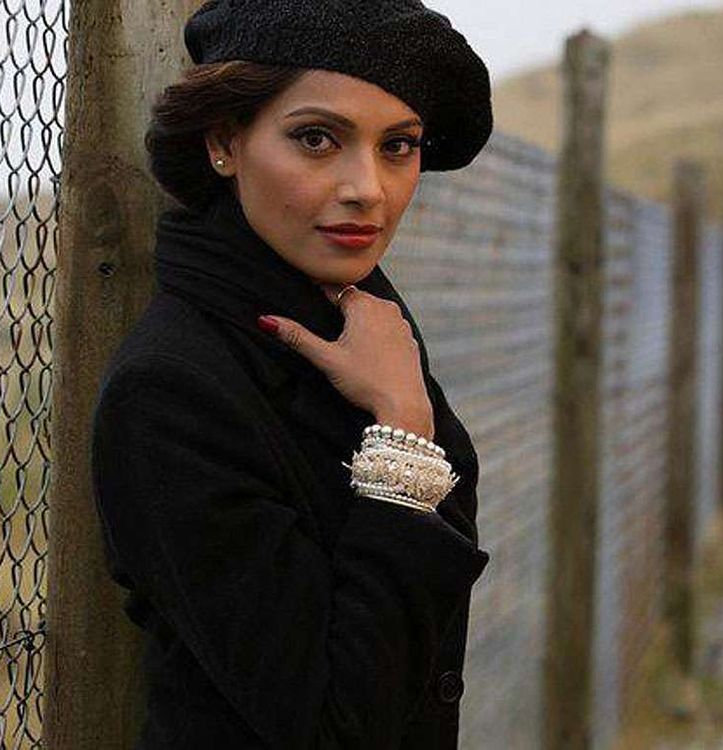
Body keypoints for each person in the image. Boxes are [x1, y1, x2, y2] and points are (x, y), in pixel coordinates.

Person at [90, 1, 494, 747]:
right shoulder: (170, 392)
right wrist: (402, 432)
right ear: (224, 141)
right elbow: (334, 723)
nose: (367, 188)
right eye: (316, 138)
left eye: (398, 146)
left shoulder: (360, 320)